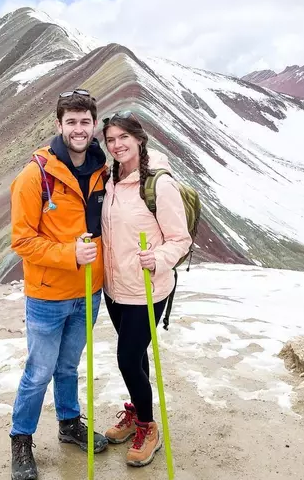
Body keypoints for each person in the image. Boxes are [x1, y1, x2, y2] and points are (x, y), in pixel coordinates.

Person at [9, 88, 110, 480]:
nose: (79, 129)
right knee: (39, 371)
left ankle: (69, 425)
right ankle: (21, 440)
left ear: (94, 125)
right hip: (48, 295)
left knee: (68, 367)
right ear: (59, 125)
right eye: (72, 122)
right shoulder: (35, 175)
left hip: (89, 292)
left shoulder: (104, 169)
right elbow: (21, 240)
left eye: (85, 122)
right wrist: (69, 255)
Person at [100, 111, 192, 467]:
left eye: (124, 137)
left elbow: (179, 238)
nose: (117, 145)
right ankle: (138, 412)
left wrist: (159, 258)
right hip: (116, 287)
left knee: (126, 358)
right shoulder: (110, 178)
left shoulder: (159, 183)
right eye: (111, 140)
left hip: (148, 288)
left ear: (139, 139)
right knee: (135, 358)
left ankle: (148, 427)